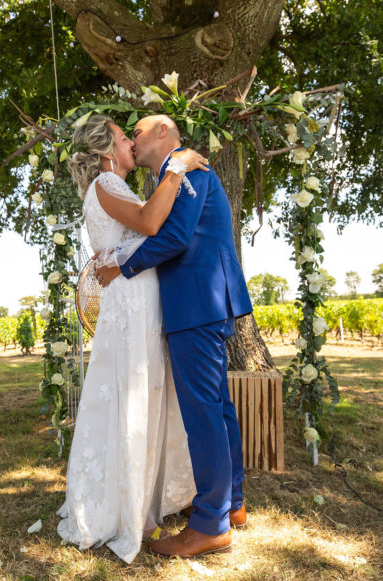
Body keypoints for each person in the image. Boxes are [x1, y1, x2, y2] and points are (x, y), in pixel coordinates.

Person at [95, 114, 254, 558]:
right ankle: (231, 503)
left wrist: (121, 267)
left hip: (197, 303)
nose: (133, 139)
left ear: (162, 132)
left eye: (138, 132)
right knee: (217, 406)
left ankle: (209, 524)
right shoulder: (173, 174)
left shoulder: (185, 168)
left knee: (203, 411)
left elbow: (178, 237)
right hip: (203, 303)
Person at [56, 114, 209, 564]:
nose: (131, 144)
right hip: (130, 301)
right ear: (108, 151)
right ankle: (129, 507)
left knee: (145, 389)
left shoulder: (112, 186)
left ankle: (140, 499)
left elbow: (133, 239)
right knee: (134, 392)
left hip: (136, 293)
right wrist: (178, 167)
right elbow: (149, 222)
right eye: (125, 138)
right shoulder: (107, 184)